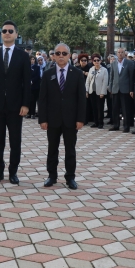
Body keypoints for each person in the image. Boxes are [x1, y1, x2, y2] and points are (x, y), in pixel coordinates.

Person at [0, 20, 31, 185]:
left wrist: (26, 104)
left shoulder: (23, 56)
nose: (7, 33)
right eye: (4, 31)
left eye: (11, 31)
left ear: (16, 35)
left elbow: (27, 82)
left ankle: (13, 172)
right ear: (1, 34)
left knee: (15, 141)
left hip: (16, 106)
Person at [38, 43, 86, 190]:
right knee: (52, 149)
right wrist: (43, 119)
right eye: (57, 53)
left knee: (70, 149)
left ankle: (70, 177)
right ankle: (51, 176)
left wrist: (80, 119)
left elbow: (81, 99)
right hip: (52, 119)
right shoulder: (47, 74)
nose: (60, 56)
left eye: (64, 53)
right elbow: (43, 99)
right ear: (54, 56)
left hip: (71, 120)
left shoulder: (77, 74)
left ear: (69, 56)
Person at [108, 48, 134, 133]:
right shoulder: (113, 64)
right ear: (116, 53)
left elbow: (131, 77)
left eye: (122, 52)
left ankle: (126, 126)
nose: (120, 54)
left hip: (125, 89)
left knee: (125, 109)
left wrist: (131, 89)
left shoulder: (129, 63)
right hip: (115, 89)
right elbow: (111, 77)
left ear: (124, 54)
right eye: (118, 52)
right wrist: (110, 87)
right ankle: (116, 125)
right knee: (115, 108)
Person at [85, 53, 108, 129]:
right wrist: (87, 91)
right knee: (94, 107)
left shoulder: (104, 70)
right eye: (95, 60)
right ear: (92, 61)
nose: (96, 62)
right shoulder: (91, 69)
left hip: (100, 92)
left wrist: (103, 92)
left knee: (100, 108)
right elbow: (88, 81)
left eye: (98, 60)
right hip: (92, 91)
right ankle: (96, 122)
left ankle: (101, 123)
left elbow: (105, 82)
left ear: (100, 61)